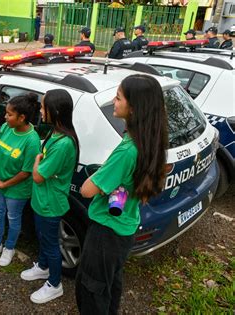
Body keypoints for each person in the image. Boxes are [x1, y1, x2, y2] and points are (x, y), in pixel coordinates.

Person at [75, 74, 168, 314]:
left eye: (118, 98)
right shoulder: (150, 140)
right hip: (124, 228)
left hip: (106, 232)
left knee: (91, 290)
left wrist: (101, 174)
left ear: (134, 108)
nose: (114, 102)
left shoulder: (127, 150)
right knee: (110, 285)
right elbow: (128, 183)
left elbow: (86, 190)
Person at [20, 89, 79, 304]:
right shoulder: (54, 132)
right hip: (41, 201)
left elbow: (37, 176)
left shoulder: (63, 144)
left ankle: (55, 284)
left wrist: (37, 160)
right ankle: (43, 267)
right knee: (43, 238)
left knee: (52, 244)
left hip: (50, 204)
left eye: (44, 107)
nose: (41, 111)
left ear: (55, 111)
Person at [0, 93, 41, 266]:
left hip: (16, 188)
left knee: (13, 218)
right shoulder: (7, 127)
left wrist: (5, 183)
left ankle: (9, 248)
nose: (5, 117)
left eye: (9, 114)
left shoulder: (32, 140)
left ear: (22, 117)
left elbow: (26, 172)